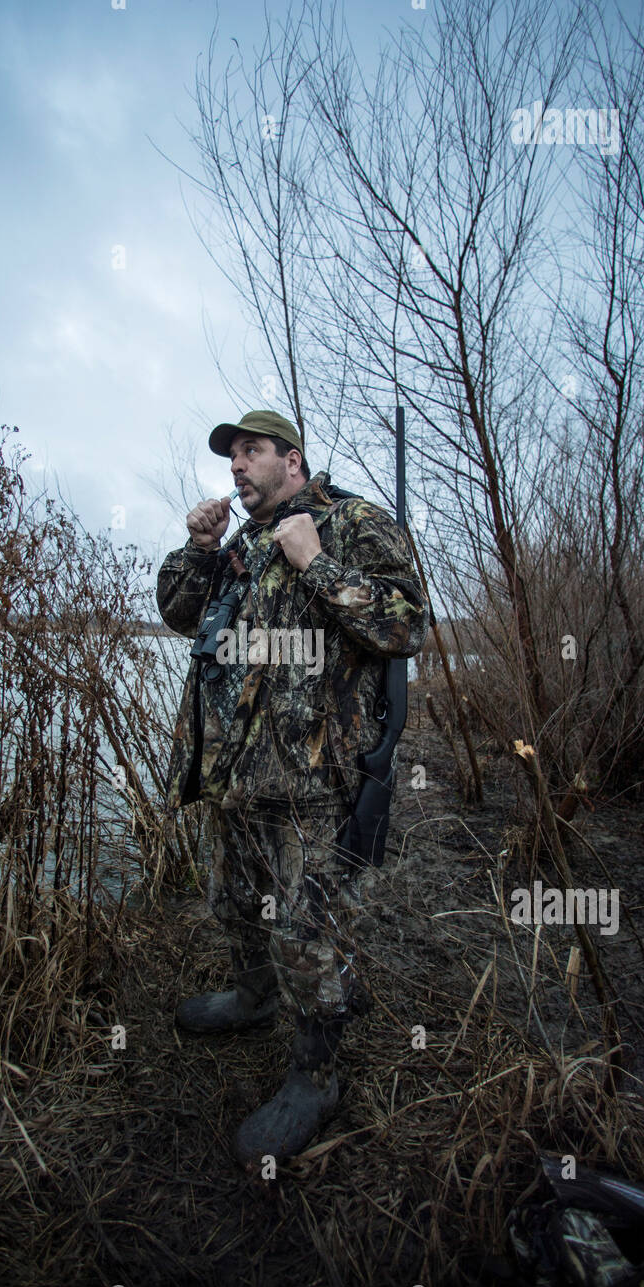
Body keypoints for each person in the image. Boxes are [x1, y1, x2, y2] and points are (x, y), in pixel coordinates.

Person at [156, 409, 428, 1168]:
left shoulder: (352, 523)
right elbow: (179, 615)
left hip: (310, 783)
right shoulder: (239, 543)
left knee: (307, 938)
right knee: (234, 902)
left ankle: (315, 1077)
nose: (236, 466)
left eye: (251, 452)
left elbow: (407, 626)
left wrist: (318, 565)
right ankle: (252, 1000)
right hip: (234, 771)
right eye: (230, 457)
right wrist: (199, 548)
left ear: (293, 459)